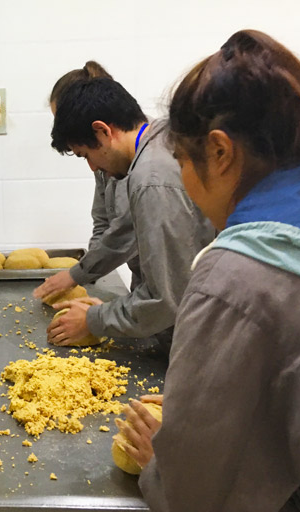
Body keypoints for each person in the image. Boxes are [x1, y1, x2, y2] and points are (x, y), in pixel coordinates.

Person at [119, 30, 300, 511]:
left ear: (219, 151)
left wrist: (163, 458)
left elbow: (197, 495)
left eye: (181, 163)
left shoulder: (232, 278)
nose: (183, 184)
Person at [45, 78, 215, 351]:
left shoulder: (151, 178)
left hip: (204, 331)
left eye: (85, 154)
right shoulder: (159, 139)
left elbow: (167, 298)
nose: (92, 168)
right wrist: (81, 273)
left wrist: (94, 320)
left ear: (102, 132)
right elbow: (127, 229)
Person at [35, 61, 140, 301]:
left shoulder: (145, 166)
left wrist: (78, 275)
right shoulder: (104, 156)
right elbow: (103, 222)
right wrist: (85, 277)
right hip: (145, 286)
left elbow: (127, 233)